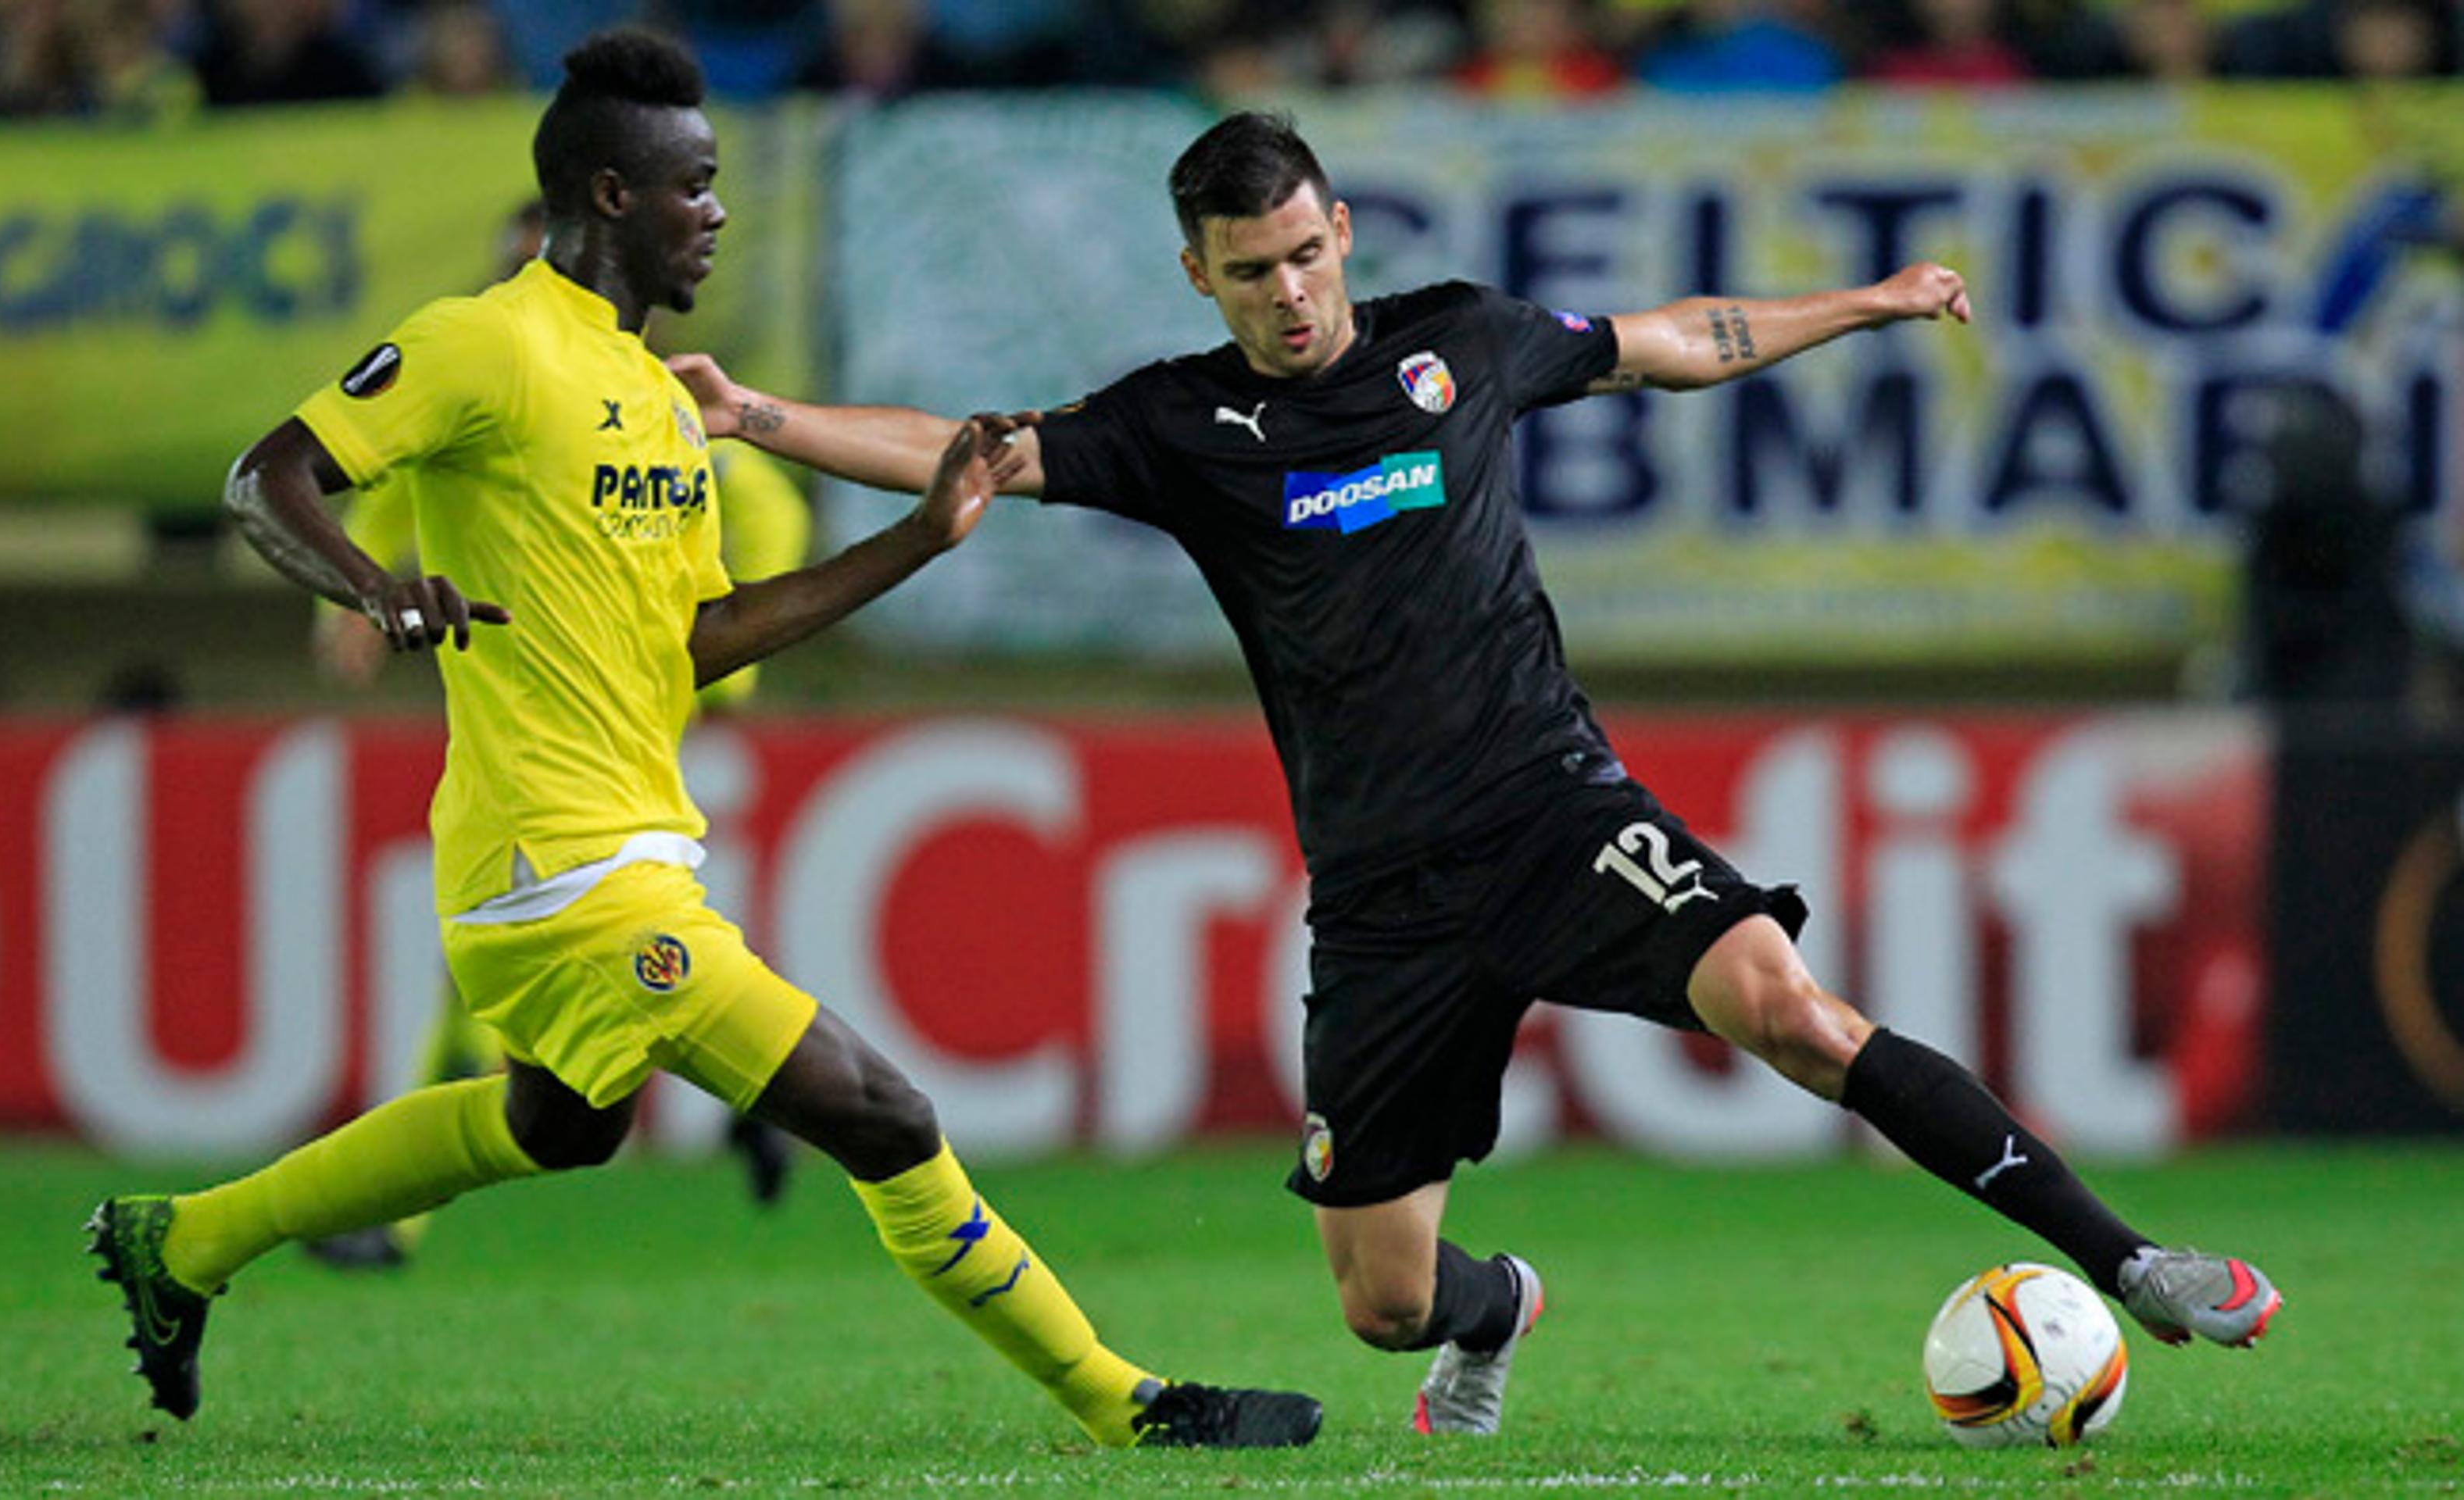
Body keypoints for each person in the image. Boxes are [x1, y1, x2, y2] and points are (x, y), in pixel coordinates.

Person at [673, 109, 2286, 1438]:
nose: (1287, 295)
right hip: (1381, 900)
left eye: (1306, 255)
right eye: (1249, 273)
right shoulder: (1181, 427)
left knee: (1790, 1011)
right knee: (1384, 1305)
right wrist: (757, 415)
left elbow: (1675, 341)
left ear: (1341, 233)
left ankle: (2130, 1260)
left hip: (1555, 815)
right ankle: (1500, 1304)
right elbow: (969, 450)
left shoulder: (1464, 347)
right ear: (1198, 275)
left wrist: (1859, 304)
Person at [84, 34, 1321, 1452]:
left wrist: (918, 538)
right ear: (611, 196)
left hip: (611, 849)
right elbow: (269, 476)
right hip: (561, 871)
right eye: (697, 185)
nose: (719, 214)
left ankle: (181, 1242)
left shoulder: (666, 406)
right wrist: (373, 584)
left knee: (561, 1128)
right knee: (884, 1113)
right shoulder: (482, 343)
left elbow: (704, 637)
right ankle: (1129, 1405)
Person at [299, 199, 805, 1270]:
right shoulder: (484, 415)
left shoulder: (701, 457)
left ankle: (389, 1218)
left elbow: (749, 577)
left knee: (516, 980)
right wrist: (349, 600)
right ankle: (763, 1101)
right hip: (539, 744)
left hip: (610, 752)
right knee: (616, 989)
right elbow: (392, 503)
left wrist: (687, 680)